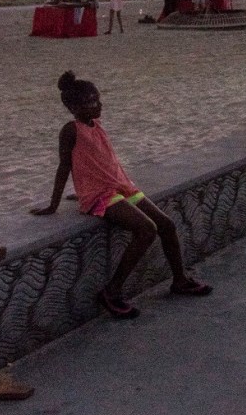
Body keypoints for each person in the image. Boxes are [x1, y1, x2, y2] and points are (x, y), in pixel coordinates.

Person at [30, 71, 211, 318]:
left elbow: (93, 161)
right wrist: (54, 204)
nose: (99, 105)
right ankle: (111, 291)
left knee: (166, 225)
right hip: (100, 194)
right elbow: (64, 166)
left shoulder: (96, 125)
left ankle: (179, 279)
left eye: (98, 99)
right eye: (92, 102)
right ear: (73, 107)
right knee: (146, 229)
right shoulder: (71, 130)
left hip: (121, 186)